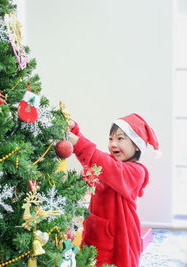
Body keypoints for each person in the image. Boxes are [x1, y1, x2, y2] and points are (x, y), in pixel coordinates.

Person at [67, 113, 159, 267]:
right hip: (96, 230)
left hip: (120, 236)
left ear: (136, 145)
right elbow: (94, 161)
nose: (113, 144)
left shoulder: (137, 172)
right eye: (111, 139)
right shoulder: (107, 164)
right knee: (89, 260)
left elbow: (109, 167)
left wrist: (79, 143)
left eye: (120, 139)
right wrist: (75, 131)